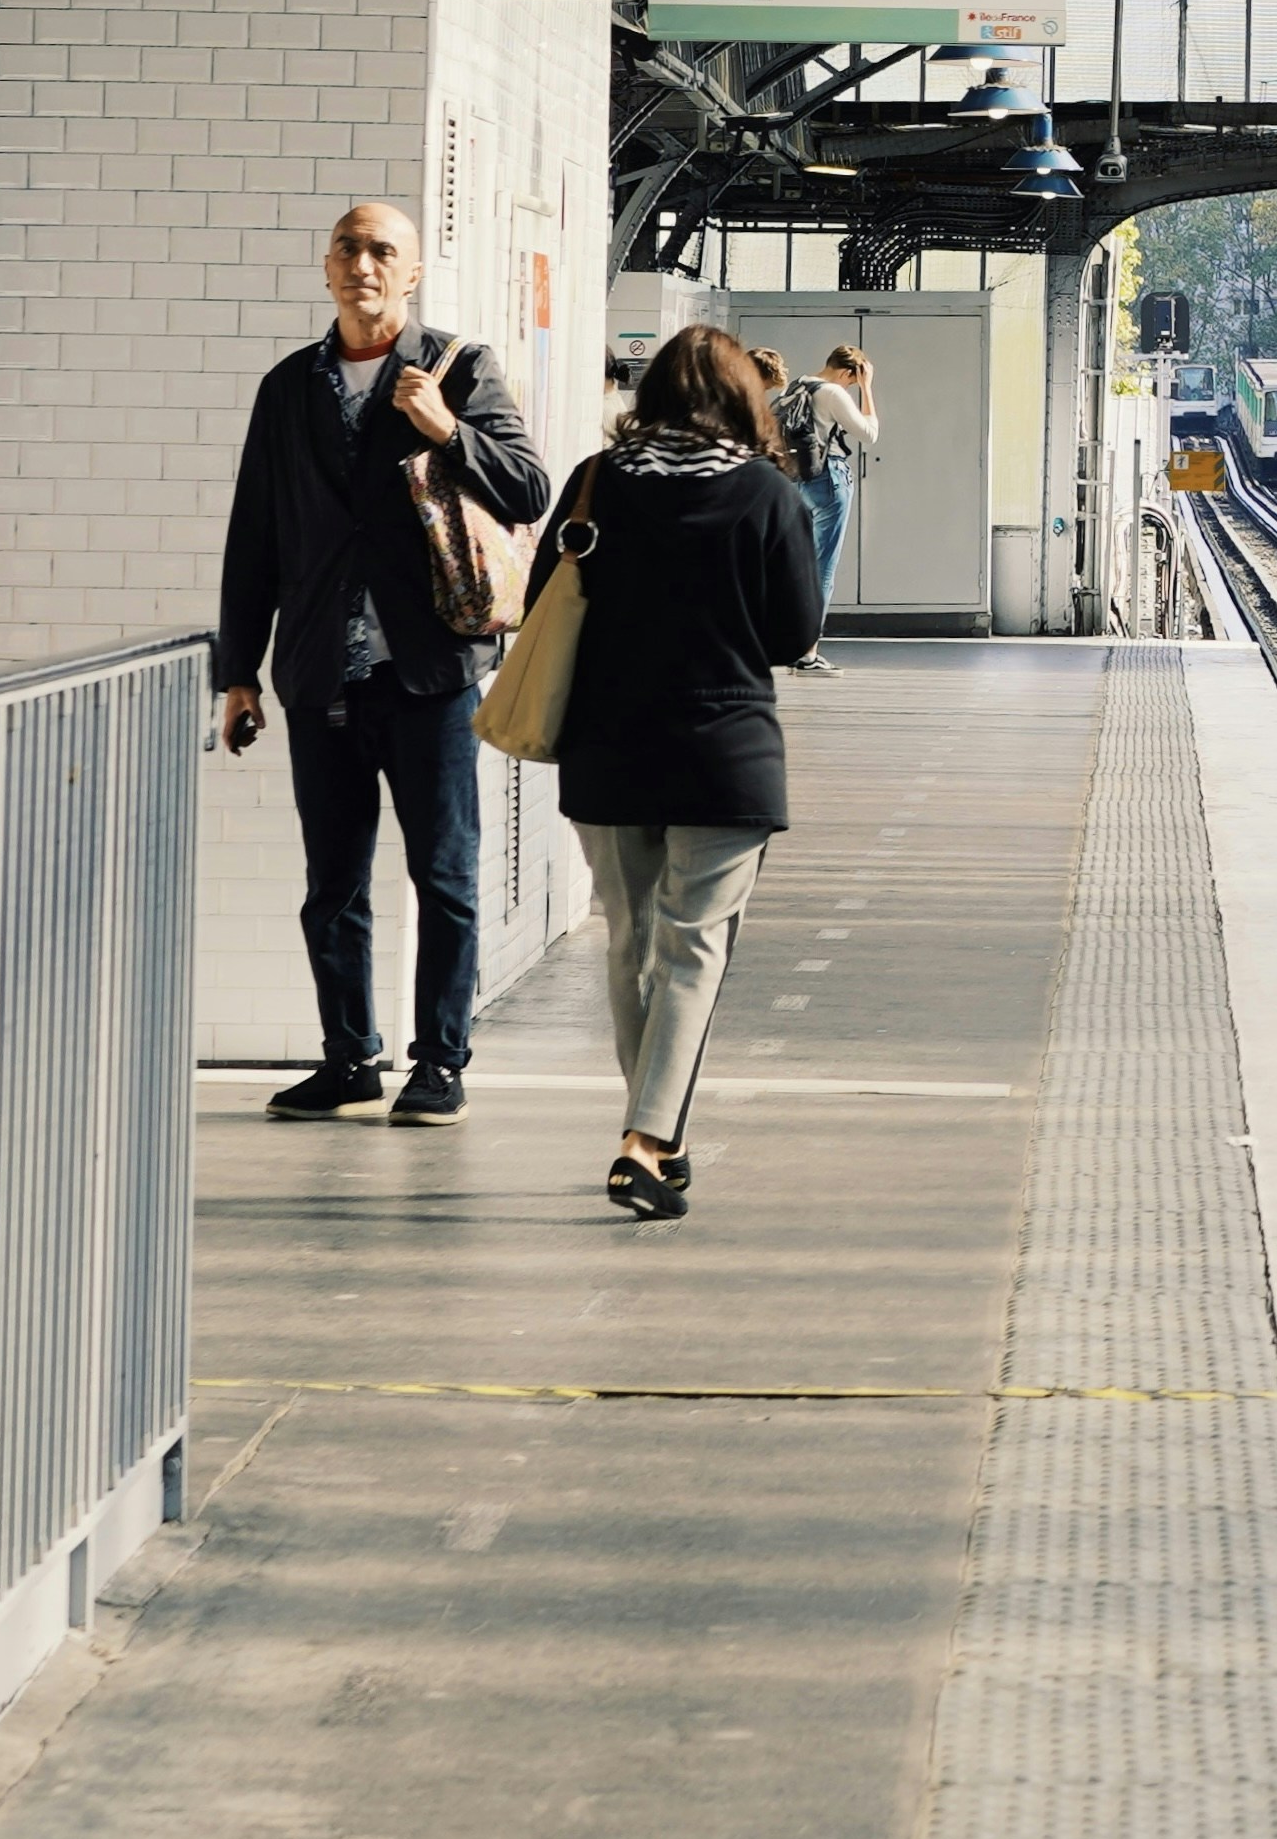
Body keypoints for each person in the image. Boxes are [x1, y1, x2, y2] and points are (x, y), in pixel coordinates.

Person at [213, 200, 549, 1123]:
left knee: (443, 873)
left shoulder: (460, 369)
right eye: (348, 248)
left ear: (410, 274)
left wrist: (447, 427)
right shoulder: (287, 388)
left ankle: (439, 1061)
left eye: (382, 250)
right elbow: (256, 536)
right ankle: (349, 1057)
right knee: (333, 884)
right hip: (322, 667)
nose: (363, 263)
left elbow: (531, 488)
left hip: (430, 670)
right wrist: (238, 670)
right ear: (327, 268)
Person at [531, 323, 829, 1220]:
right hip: (720, 752)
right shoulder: (768, 496)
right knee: (692, 946)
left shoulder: (595, 482)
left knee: (631, 943)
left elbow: (547, 594)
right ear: (746, 399)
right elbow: (794, 635)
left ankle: (660, 1135)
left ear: (650, 396)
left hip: (606, 751)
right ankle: (644, 1139)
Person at [777, 341, 876, 594]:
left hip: (794, 478)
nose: (848, 386)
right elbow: (869, 433)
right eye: (851, 382)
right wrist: (866, 388)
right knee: (822, 568)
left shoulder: (797, 385)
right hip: (827, 478)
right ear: (846, 373)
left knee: (796, 562)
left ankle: (790, 628)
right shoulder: (833, 392)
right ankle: (810, 633)